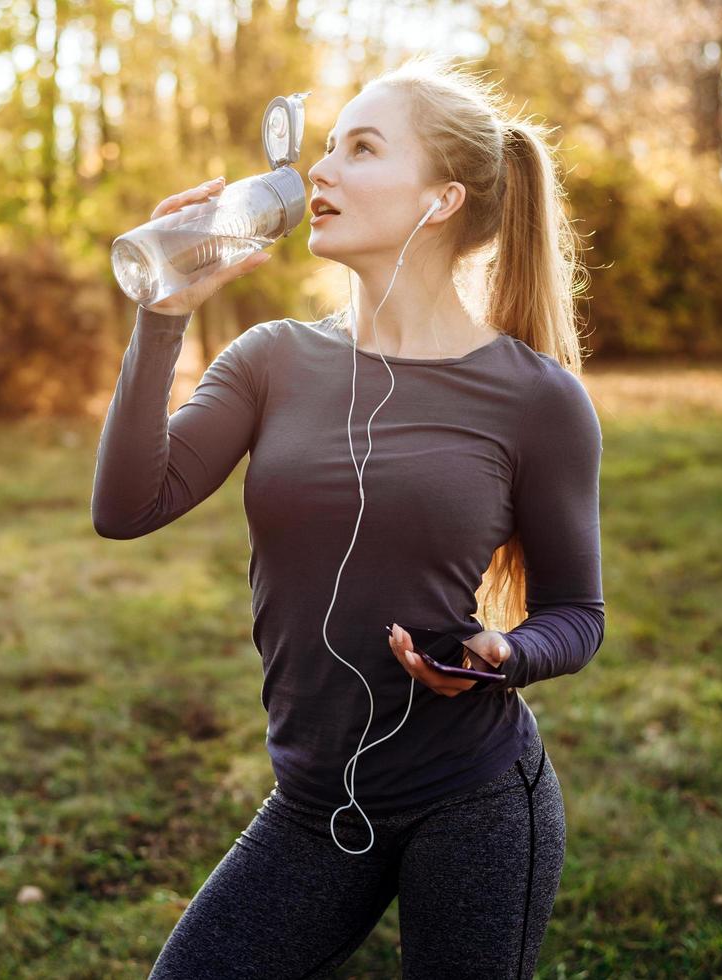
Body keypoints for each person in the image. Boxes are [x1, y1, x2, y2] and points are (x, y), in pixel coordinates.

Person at [92, 52, 603, 980]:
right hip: (315, 802)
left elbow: (579, 613)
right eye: (325, 147)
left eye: (360, 150)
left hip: (477, 800)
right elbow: (127, 508)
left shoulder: (538, 400)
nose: (318, 172)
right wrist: (161, 318)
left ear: (440, 200)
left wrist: (503, 655)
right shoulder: (270, 360)